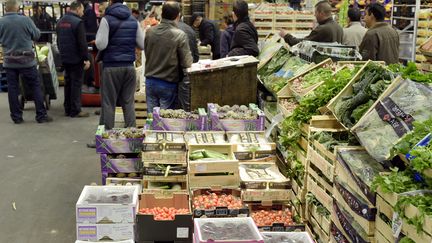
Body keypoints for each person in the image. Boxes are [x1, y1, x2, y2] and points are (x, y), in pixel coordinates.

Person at [0, 0, 52, 124]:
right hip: (26, 60)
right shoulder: (25, 20)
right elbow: (37, 35)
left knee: (12, 88)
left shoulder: (1, 22)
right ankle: (41, 116)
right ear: (17, 8)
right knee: (35, 85)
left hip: (9, 60)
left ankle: (17, 117)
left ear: (6, 9)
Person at [95, 0, 145, 129]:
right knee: (128, 102)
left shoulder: (106, 20)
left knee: (109, 103)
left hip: (111, 67)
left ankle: (106, 136)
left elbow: (101, 44)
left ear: (111, 2)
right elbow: (142, 44)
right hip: (129, 67)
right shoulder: (133, 21)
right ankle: (132, 135)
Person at [145, 1, 193, 113]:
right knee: (165, 121)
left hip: (150, 81)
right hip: (168, 83)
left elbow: (147, 53)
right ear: (178, 16)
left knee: (152, 119)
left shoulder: (150, 32)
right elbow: (187, 63)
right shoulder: (179, 35)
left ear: (162, 14)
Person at [56, 1, 91, 118]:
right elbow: (82, 43)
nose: (82, 13)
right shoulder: (78, 22)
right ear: (77, 9)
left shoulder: (60, 21)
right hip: (76, 59)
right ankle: (76, 110)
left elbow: (58, 41)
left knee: (68, 83)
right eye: (81, 10)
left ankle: (67, 108)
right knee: (76, 84)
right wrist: (86, 58)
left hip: (65, 58)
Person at [177, 13, 199, 111]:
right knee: (186, 105)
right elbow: (196, 56)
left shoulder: (169, 30)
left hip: (171, 72)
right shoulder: (190, 30)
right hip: (188, 71)